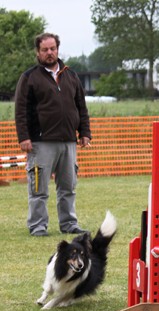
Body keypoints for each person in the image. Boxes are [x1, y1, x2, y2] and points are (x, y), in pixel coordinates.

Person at [14, 33, 92, 237]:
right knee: (39, 188)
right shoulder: (29, 77)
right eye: (45, 50)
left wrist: (85, 132)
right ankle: (38, 226)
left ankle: (69, 224)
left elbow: (81, 107)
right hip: (41, 143)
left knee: (68, 187)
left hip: (68, 142)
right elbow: (21, 109)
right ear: (37, 52)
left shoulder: (72, 75)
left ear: (58, 49)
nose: (49, 53)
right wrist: (24, 137)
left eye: (53, 48)